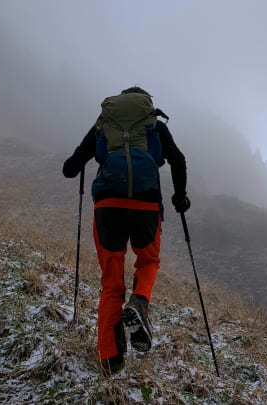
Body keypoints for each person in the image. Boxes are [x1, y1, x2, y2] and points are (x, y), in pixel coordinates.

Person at [62, 86, 190, 375]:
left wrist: (80, 163)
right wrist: (179, 197)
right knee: (148, 261)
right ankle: (140, 301)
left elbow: (70, 168)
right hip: (146, 206)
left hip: (108, 206)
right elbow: (178, 160)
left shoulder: (103, 124)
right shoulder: (154, 125)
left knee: (110, 283)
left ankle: (110, 359)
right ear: (145, 104)